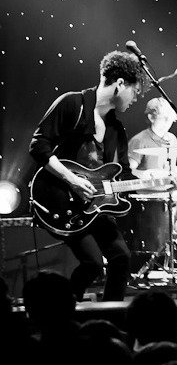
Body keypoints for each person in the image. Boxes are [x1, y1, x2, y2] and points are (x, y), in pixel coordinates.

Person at [29, 51, 145, 301]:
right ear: (120, 83)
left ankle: (112, 317)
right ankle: (64, 308)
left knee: (121, 258)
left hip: (95, 205)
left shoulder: (116, 129)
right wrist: (72, 180)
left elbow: (123, 173)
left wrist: (155, 183)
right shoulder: (72, 104)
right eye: (135, 91)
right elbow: (39, 146)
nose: (136, 98)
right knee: (93, 263)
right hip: (60, 199)